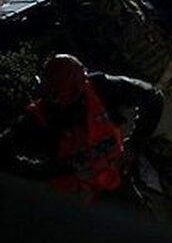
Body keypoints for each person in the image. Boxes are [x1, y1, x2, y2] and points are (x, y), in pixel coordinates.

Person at [0, 54, 163, 204]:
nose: (68, 106)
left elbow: (153, 97)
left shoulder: (101, 88)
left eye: (74, 98)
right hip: (73, 200)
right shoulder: (35, 119)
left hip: (115, 181)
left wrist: (135, 143)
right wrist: (45, 172)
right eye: (59, 101)